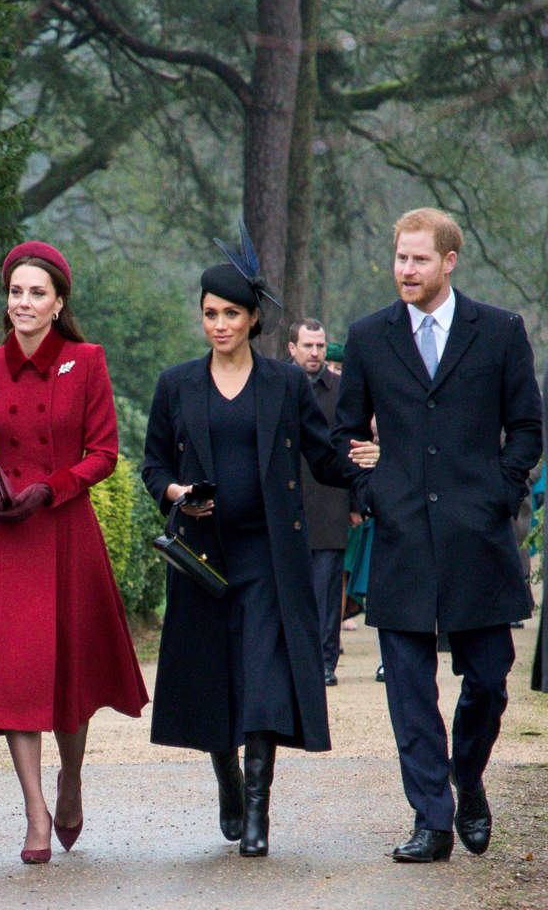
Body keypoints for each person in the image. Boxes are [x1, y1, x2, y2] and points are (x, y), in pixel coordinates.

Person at [142, 230, 374, 858]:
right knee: (214, 679)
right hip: (203, 558)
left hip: (270, 556)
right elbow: (153, 467)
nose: (219, 325)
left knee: (265, 681)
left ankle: (256, 811)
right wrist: (177, 493)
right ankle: (226, 776)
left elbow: (324, 457)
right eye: (209, 313)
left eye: (231, 314)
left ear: (252, 319)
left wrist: (371, 473)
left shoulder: (284, 385)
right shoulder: (176, 385)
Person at [334, 207, 542, 863]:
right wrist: (372, 493)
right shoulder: (369, 337)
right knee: (408, 689)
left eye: (419, 259)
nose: (406, 269)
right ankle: (431, 819)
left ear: (449, 262)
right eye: (401, 257)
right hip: (400, 540)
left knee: (489, 678)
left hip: (479, 540)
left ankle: (467, 777)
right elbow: (344, 434)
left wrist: (500, 494)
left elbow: (527, 428)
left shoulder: (499, 332)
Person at [0, 241, 148, 864]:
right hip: (9, 538)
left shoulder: (87, 361)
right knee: (16, 675)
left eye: (37, 293)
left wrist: (51, 489)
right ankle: (35, 812)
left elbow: (103, 453)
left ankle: (71, 780)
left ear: (58, 304)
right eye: (16, 292)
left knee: (69, 674)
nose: (24, 303)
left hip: (66, 531)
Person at [287, 318, 357, 686]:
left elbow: (353, 446)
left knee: (328, 590)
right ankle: (293, 660)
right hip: (285, 503)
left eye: (320, 345)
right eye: (308, 345)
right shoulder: (277, 385)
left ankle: (325, 662)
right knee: (289, 588)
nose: (315, 352)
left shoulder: (342, 389)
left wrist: (356, 501)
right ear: (292, 348)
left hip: (330, 502)